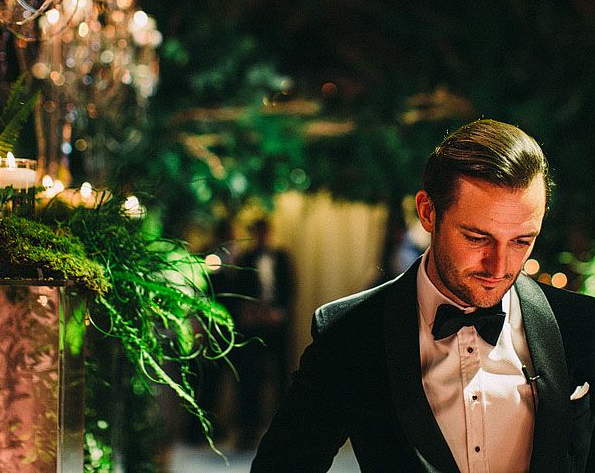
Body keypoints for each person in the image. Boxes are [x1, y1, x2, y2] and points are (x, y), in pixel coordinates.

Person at [252, 119, 595, 472]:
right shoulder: (349, 333)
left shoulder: (583, 327)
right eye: (477, 238)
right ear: (428, 212)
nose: (499, 266)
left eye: (522, 241)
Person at [235, 218, 294, 449]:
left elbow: (289, 288)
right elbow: (240, 291)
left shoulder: (281, 257)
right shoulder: (246, 259)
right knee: (250, 380)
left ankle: (285, 432)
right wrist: (252, 313)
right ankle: (248, 431)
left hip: (276, 325)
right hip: (253, 327)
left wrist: (280, 313)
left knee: (282, 378)